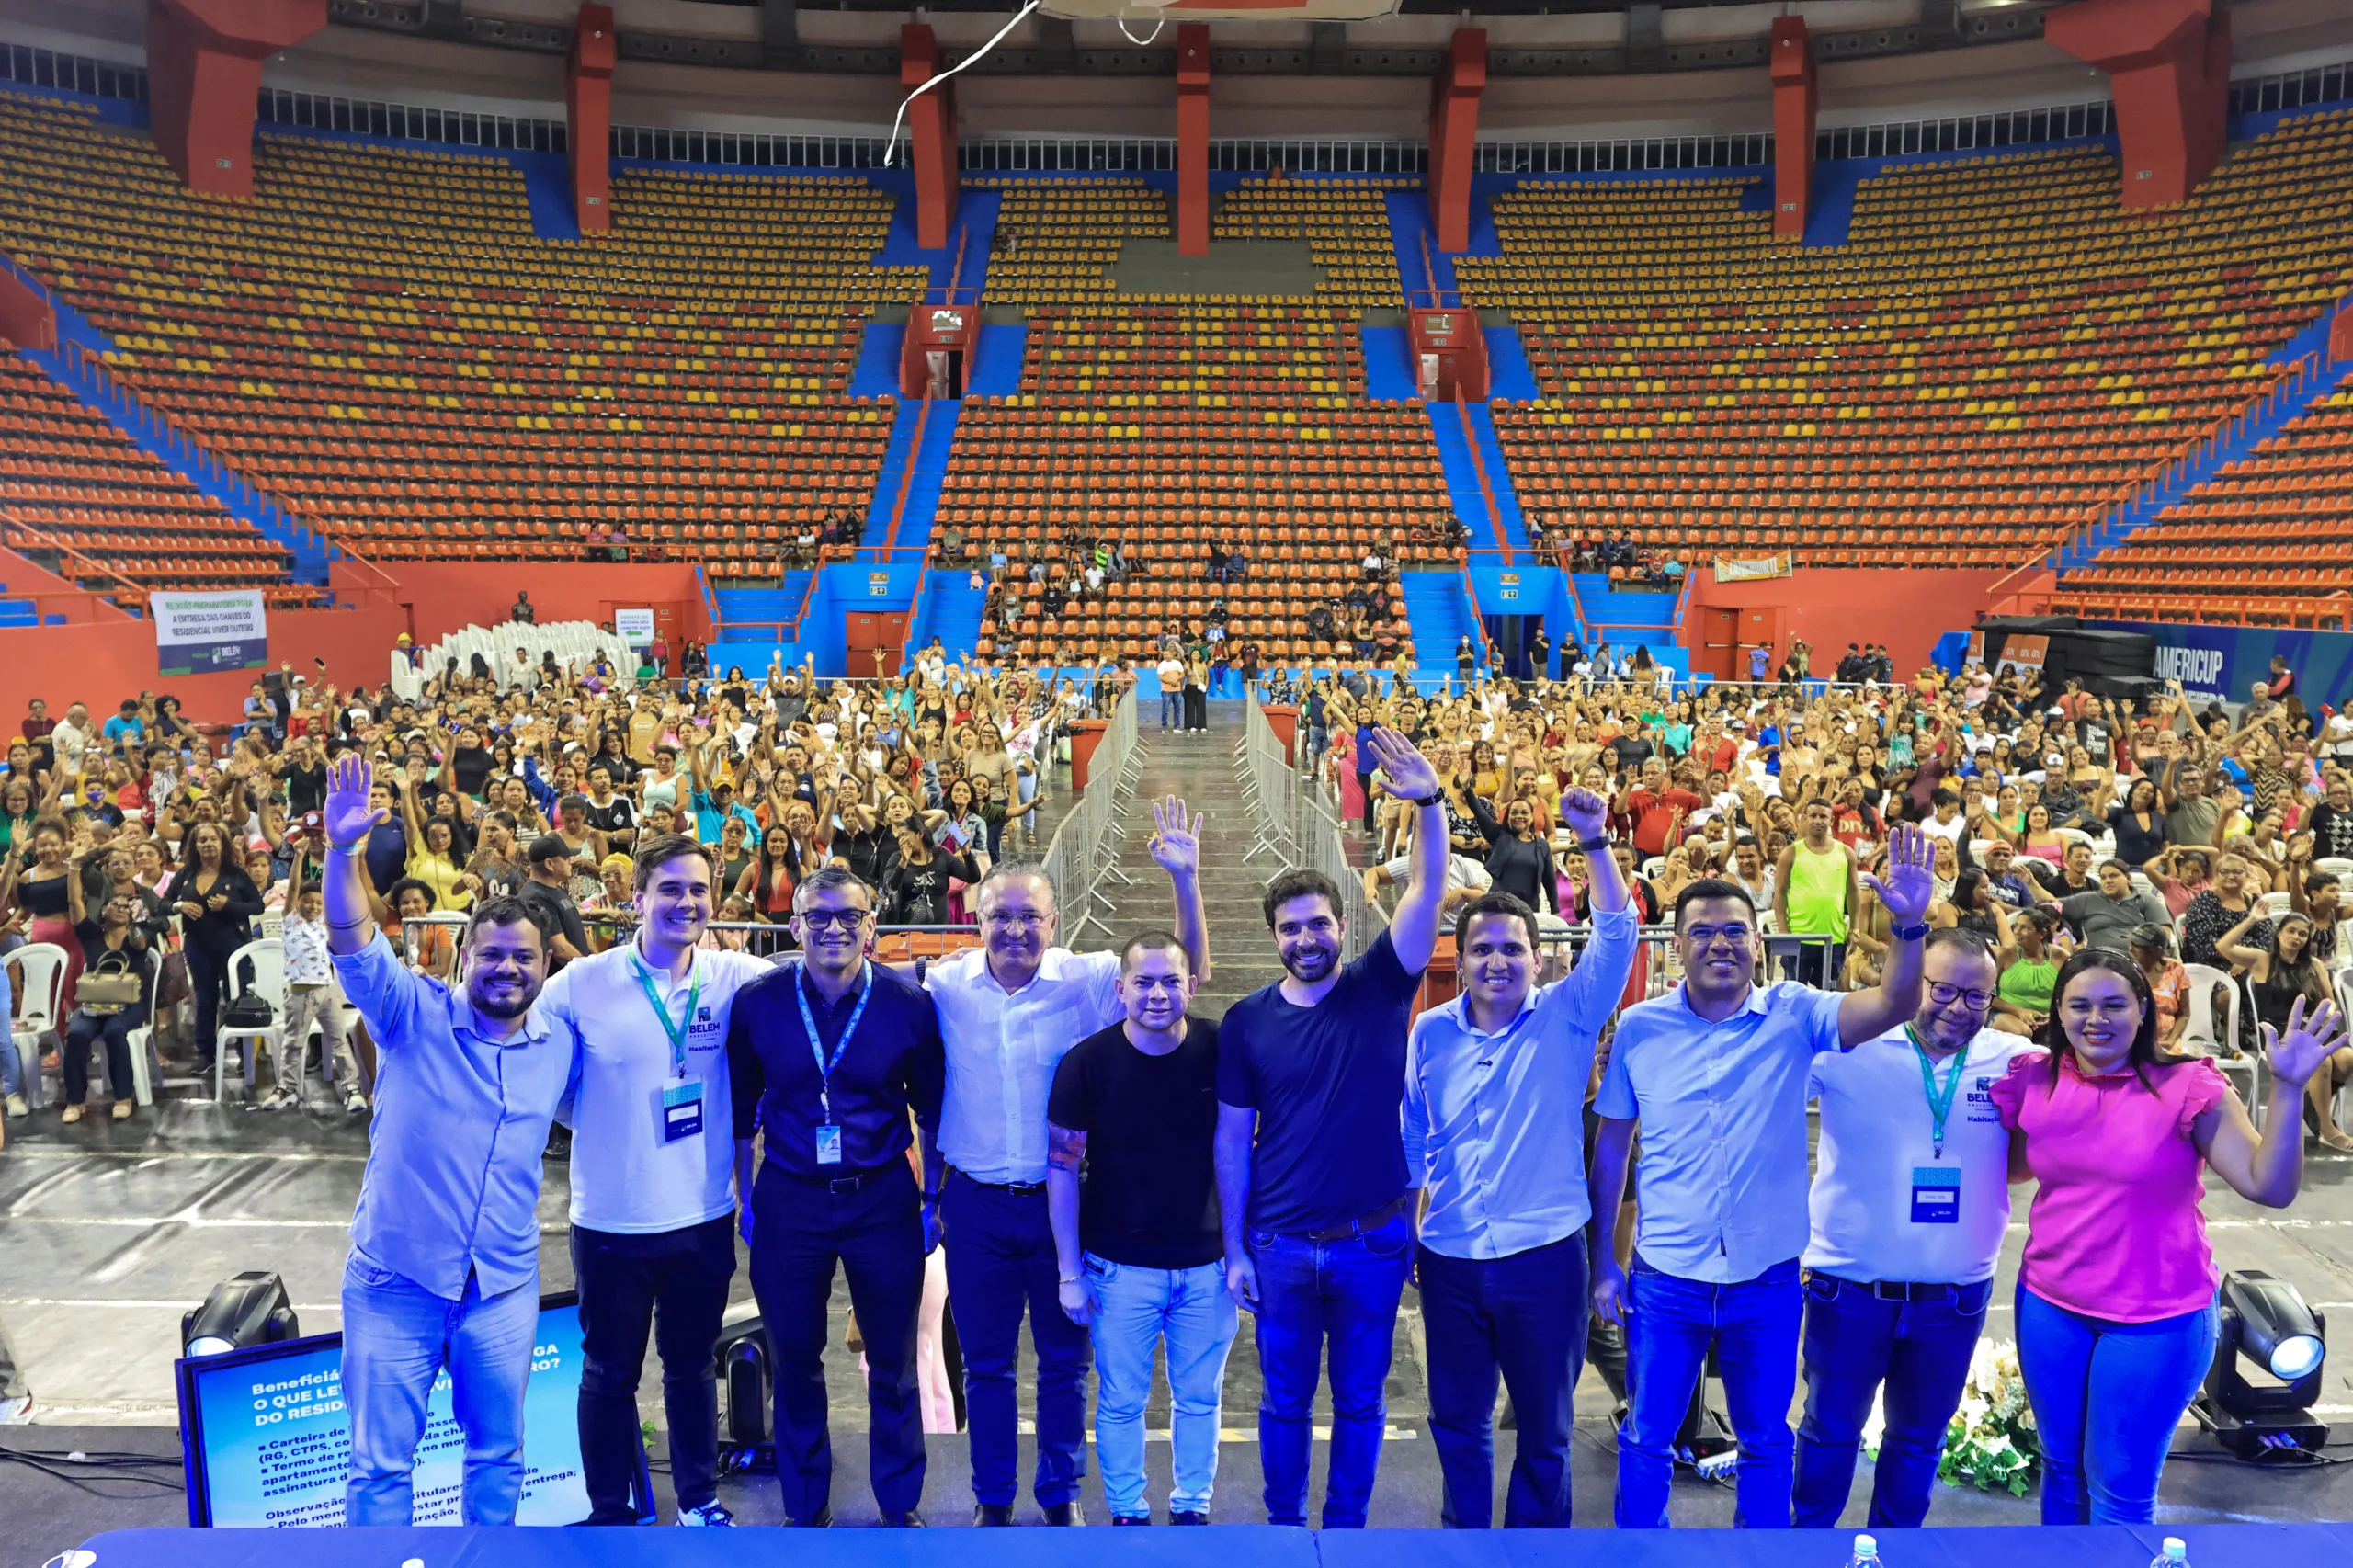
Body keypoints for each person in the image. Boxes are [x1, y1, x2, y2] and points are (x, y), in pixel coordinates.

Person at [1587, 823, 1936, 1529]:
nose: (1721, 943)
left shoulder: (1796, 1014)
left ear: (1758, 941)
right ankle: (1640, 1555)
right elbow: (1612, 1150)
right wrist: (1604, 1262)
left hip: (1766, 1279)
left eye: (1735, 931)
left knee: (1767, 1441)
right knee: (1647, 1439)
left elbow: (1896, 1005)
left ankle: (1762, 1557)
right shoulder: (1639, 1028)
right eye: (1704, 931)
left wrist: (1908, 926)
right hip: (1667, 1277)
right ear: (1677, 945)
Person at [927, 801, 1208, 1526]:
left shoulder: (1090, 980)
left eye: (1030, 917)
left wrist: (1185, 880)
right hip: (978, 1204)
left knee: (1064, 1364)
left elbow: (1187, 973)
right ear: (977, 922)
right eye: (1001, 917)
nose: (1015, 929)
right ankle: (993, 1498)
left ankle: (1060, 1495)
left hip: (1067, 1207)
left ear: (1053, 924)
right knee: (985, 1366)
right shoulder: (945, 986)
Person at [320, 750, 581, 1526]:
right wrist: (342, 852)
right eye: (491, 955)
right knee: (378, 1472)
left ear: (544, 966)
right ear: (465, 958)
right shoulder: (410, 1014)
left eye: (522, 958)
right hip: (395, 1282)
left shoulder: (559, 1046)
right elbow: (351, 937)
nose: (507, 969)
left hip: (499, 1288)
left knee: (499, 1458)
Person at [1995, 949, 2345, 1524]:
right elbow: (2015, 1168)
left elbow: (2269, 1185)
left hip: (2157, 1319)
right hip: (2051, 1306)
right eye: (2079, 1005)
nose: (2096, 1019)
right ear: (2058, 1011)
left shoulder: (2186, 1086)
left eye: (2114, 1005)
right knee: (2060, 1471)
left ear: (2144, 1013)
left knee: (2118, 1490)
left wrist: (2287, 1089)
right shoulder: (2036, 1079)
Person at [1216, 727, 1447, 1528]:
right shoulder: (1246, 1023)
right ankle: (1285, 1529)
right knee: (1282, 1405)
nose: (1307, 938)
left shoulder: (1380, 987)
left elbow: (1424, 895)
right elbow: (1229, 1142)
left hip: (1370, 1241)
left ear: (1341, 926)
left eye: (1318, 924)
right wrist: (1236, 1243)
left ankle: (1344, 1530)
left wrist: (1428, 805)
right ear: (1273, 936)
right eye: (1291, 928)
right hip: (1278, 1244)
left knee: (1359, 1401)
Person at [1403, 783, 1637, 1529]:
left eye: (1512, 949)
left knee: (1545, 1433)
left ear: (1539, 957)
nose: (1497, 961)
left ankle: (1536, 1554)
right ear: (1460, 959)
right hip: (1451, 1258)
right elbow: (1413, 1132)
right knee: (1459, 1426)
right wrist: (1412, 1226)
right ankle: (1464, 1546)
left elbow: (1620, 933)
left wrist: (1594, 842)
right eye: (1482, 950)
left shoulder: (1569, 1016)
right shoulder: (1429, 1033)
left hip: (1545, 1259)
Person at [533, 834, 773, 1527]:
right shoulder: (582, 983)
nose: (685, 902)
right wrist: (601, 1122)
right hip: (610, 1219)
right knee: (609, 1372)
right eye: (669, 889)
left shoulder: (733, 977)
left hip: (701, 1215)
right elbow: (539, 1073)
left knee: (691, 1366)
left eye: (698, 890)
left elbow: (818, 975)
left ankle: (699, 1501)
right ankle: (610, 1509)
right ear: (636, 899)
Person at [1791, 928, 2043, 1528]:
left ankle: (1895, 1551)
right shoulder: (1846, 1046)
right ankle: (1806, 1550)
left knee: (1918, 1442)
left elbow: (2035, 1153)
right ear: (1910, 981)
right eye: (1943, 990)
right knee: (1829, 1431)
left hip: (1953, 1298)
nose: (1958, 1009)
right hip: (1848, 1289)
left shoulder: (2013, 1062)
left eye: (1976, 997)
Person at [729, 864, 944, 1527]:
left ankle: (900, 1503)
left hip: (881, 1198)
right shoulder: (759, 1003)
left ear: (870, 927)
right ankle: (804, 1505)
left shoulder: (908, 1005)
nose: (833, 929)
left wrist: (932, 1197)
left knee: (893, 1361)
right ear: (794, 926)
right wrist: (746, 1198)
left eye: (849, 917)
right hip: (791, 1198)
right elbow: (741, 1114)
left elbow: (932, 1113)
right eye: (818, 916)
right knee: (795, 1358)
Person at [1046, 930, 1233, 1527]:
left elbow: (1244, 1150)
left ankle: (1192, 1507)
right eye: (1144, 982)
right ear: (1121, 988)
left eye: (1170, 980)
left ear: (1192, 984)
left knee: (1200, 1399)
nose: (1158, 993)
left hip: (1207, 1266)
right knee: (1122, 1401)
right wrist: (1069, 1271)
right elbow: (1061, 1171)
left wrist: (1241, 1252)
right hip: (1118, 1269)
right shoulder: (1086, 1065)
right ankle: (1127, 1511)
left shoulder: (1218, 1050)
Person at [57, 885, 153, 1123]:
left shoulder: (136, 936)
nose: (120, 909)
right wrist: (75, 867)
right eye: (115, 905)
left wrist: (133, 924)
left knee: (114, 1031)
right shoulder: (91, 934)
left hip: (129, 1004)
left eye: (125, 907)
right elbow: (74, 903)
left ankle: (122, 1097)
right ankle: (75, 1100)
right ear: (103, 910)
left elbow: (141, 944)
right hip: (94, 1004)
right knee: (77, 1033)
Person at [280, 880, 366, 1115]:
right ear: (298, 902)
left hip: (327, 989)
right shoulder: (291, 920)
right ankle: (288, 1089)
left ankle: (351, 1088)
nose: (313, 906)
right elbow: (291, 890)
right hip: (299, 990)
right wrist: (298, 856)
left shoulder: (325, 924)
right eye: (307, 901)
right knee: (294, 1043)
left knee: (338, 1040)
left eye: (318, 903)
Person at [1774, 798, 1858, 988]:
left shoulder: (1846, 853)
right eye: (1812, 816)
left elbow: (1853, 893)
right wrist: (1783, 932)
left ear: (1832, 821)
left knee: (1826, 996)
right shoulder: (1790, 853)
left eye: (1823, 816)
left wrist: (1855, 929)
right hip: (1797, 937)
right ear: (1804, 818)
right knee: (1793, 996)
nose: (1817, 820)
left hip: (1834, 938)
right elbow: (1779, 893)